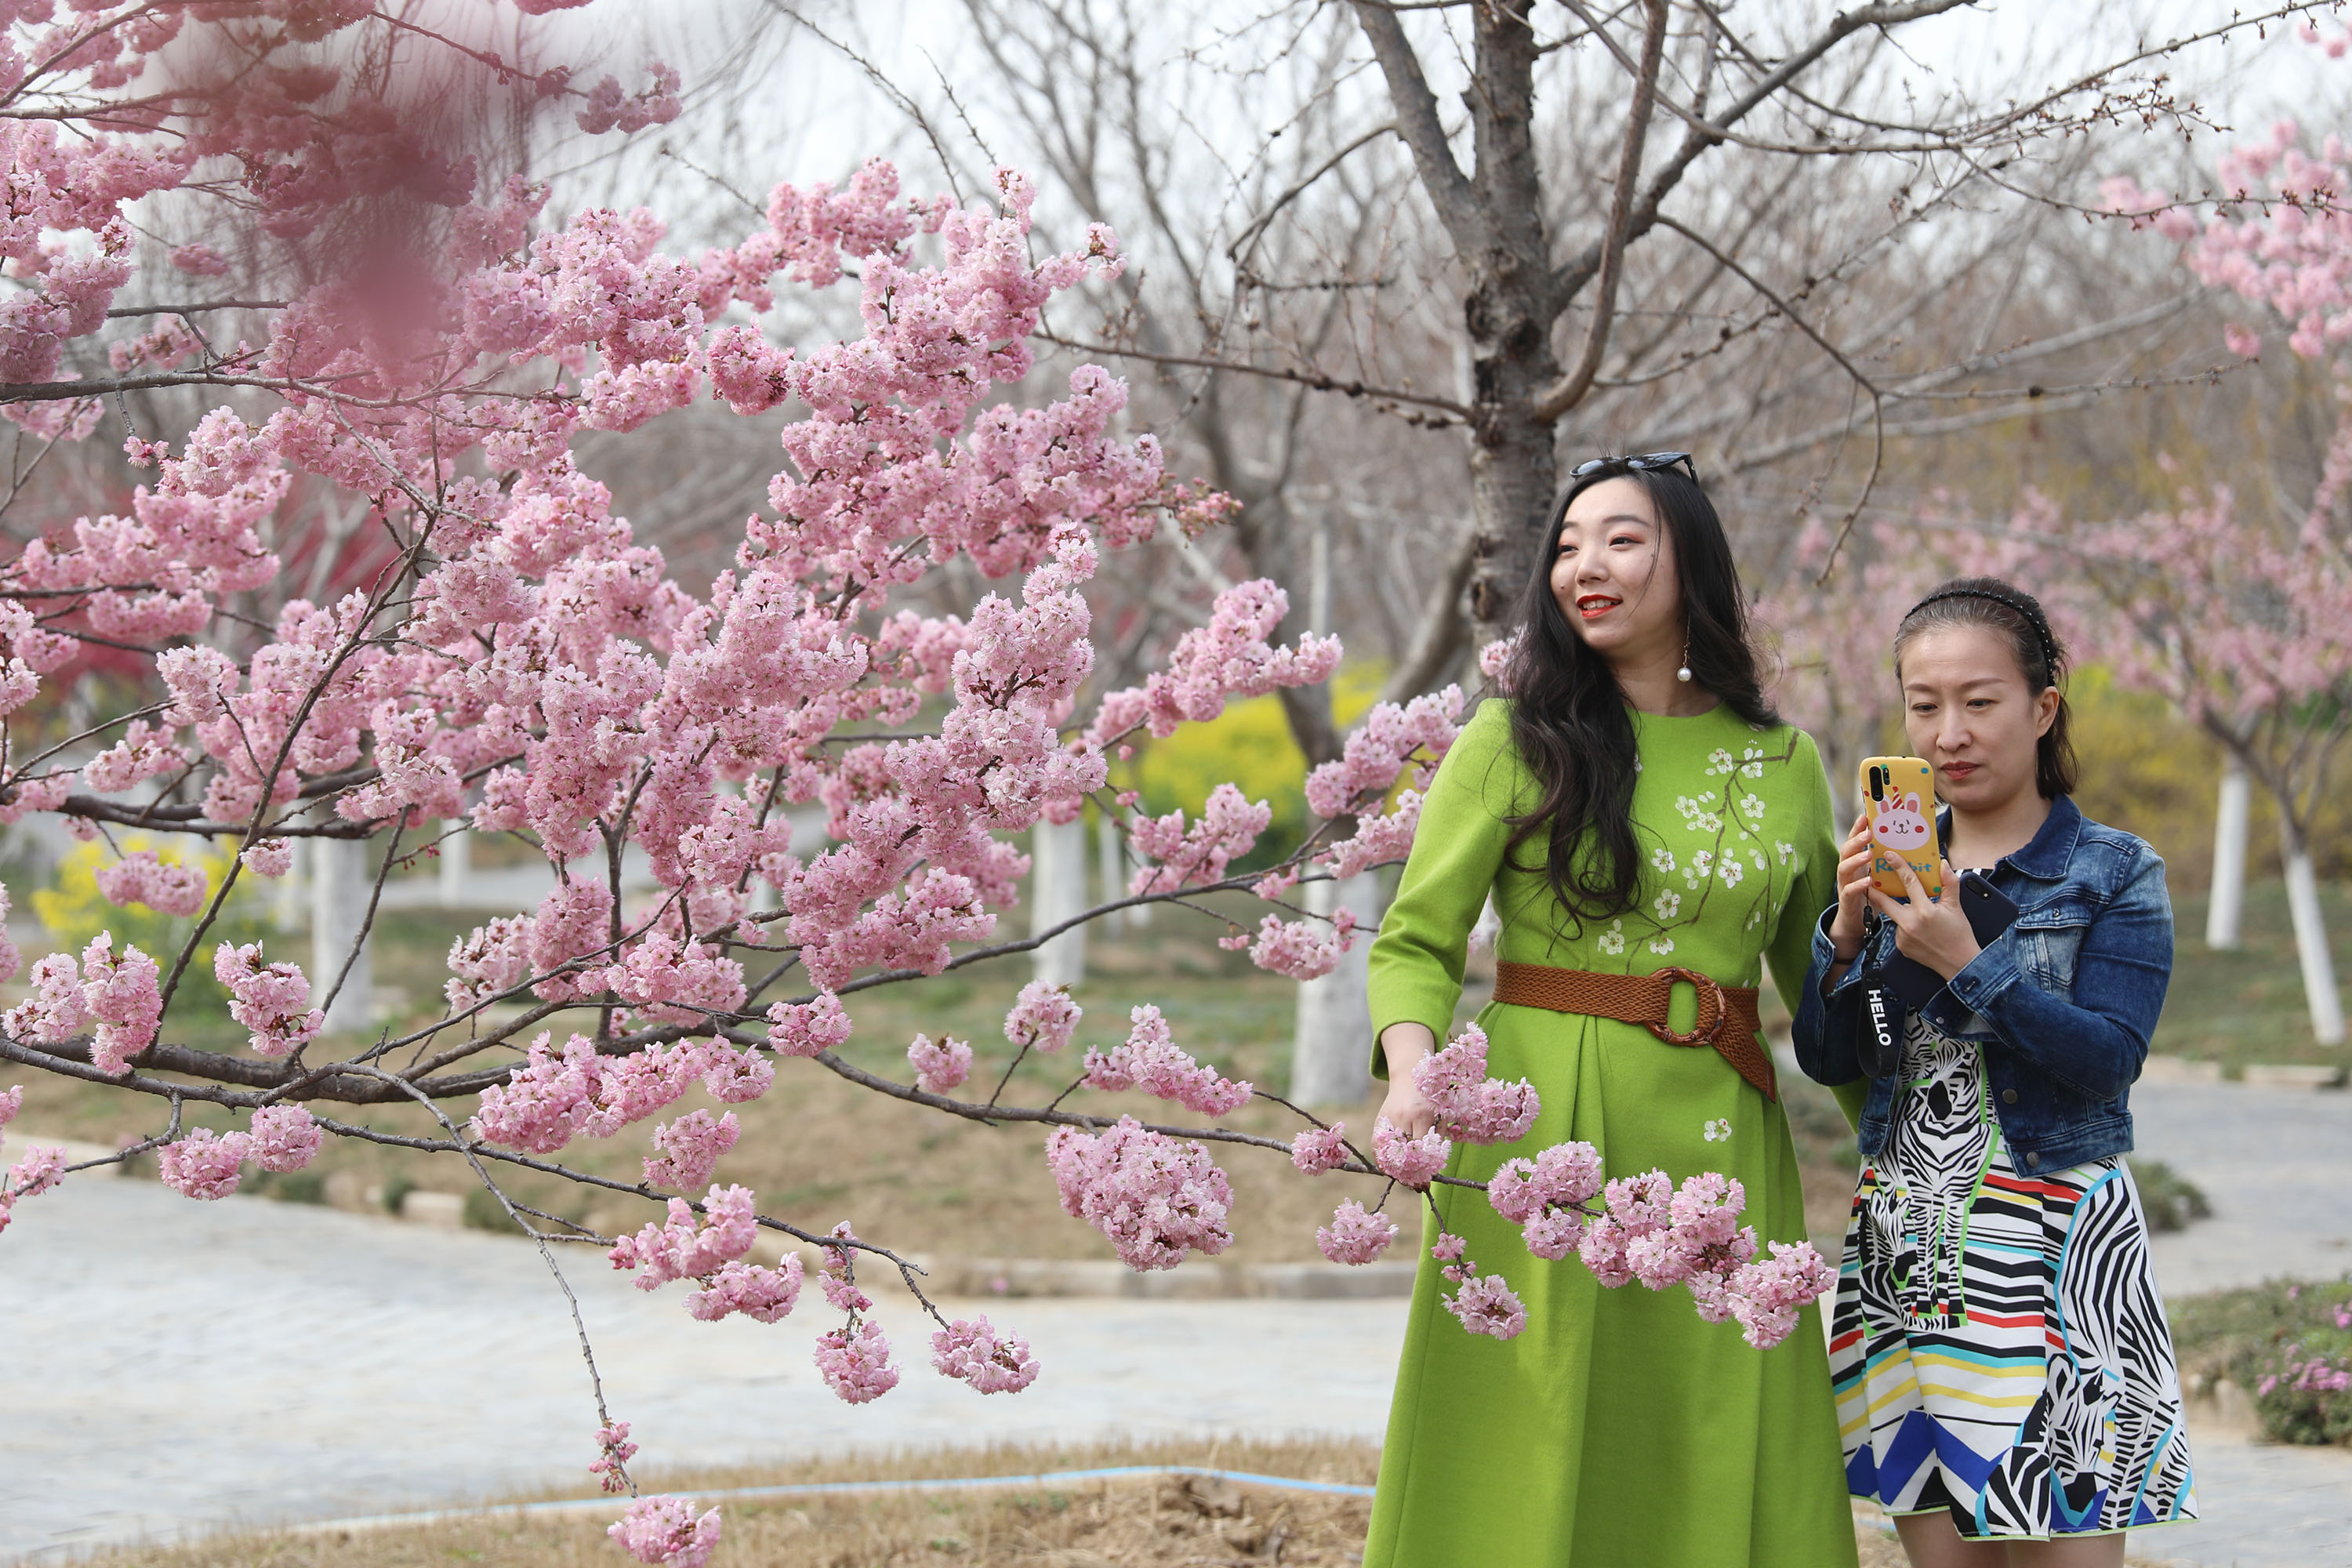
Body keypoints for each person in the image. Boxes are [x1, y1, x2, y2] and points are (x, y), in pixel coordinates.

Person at [1363, 453, 1857, 1567]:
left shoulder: (1784, 760)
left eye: (1624, 539)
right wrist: (1408, 1073)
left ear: (1692, 561)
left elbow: (1825, 996)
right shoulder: (1510, 738)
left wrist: (1911, 1160)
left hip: (1725, 1137)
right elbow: (1417, 940)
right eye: (1571, 545)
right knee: (1527, 1426)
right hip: (1545, 1142)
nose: (1588, 564)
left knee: (1714, 1420)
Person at [1791, 579, 2196, 1566]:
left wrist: (1964, 958)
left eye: (1980, 701)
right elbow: (1828, 1054)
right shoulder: (1898, 865)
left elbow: (2109, 1060)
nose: (1948, 733)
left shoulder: (2111, 870)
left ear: (2042, 706)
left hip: (2057, 1243)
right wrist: (1845, 935)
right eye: (1923, 705)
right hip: (1912, 1250)